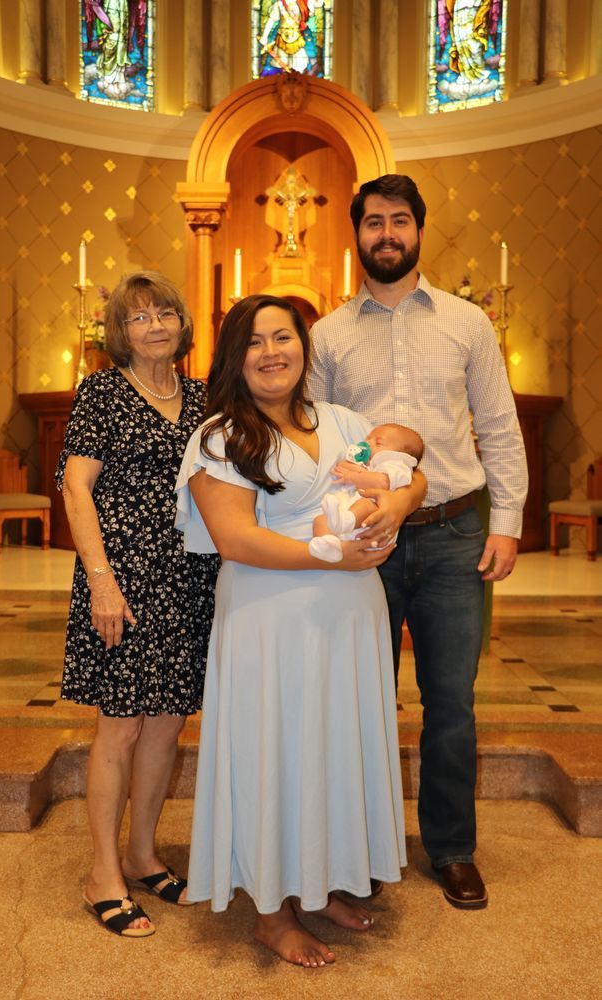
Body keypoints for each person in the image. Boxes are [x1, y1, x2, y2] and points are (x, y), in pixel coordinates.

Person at [175, 294, 427, 968]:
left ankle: (322, 886)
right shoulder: (220, 436)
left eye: (282, 337)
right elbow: (235, 538)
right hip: (270, 617)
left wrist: (399, 502)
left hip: (350, 618)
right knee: (275, 749)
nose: (271, 352)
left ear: (302, 346)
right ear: (234, 358)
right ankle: (271, 912)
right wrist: (330, 557)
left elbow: (409, 472)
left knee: (333, 747)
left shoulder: (344, 421)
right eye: (254, 342)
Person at [309, 174, 528, 910]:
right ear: (356, 233)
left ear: (419, 231)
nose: (386, 234)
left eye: (399, 220)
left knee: (451, 702)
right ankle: (362, 849)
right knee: (359, 701)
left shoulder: (467, 323)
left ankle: (452, 849)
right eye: (373, 221)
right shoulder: (327, 335)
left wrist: (505, 523)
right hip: (366, 539)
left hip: (452, 533)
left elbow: (497, 426)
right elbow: (314, 441)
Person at [56, 270, 219, 937]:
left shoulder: (204, 397)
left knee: (167, 724)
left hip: (187, 580)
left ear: (183, 324)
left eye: (165, 313)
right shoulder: (102, 392)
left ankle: (143, 854)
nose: (155, 326)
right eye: (139, 317)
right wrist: (101, 580)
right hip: (120, 580)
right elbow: (76, 487)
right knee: (120, 725)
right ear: (120, 333)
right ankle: (103, 873)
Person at [309, 422, 424, 562]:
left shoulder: (397, 466)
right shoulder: (367, 466)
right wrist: (355, 469)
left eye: (378, 443)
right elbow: (341, 467)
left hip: (371, 525)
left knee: (366, 504)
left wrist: (352, 476)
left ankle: (344, 521)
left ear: (398, 454)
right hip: (347, 529)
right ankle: (329, 546)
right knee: (320, 520)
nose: (367, 444)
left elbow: (381, 483)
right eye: (367, 439)